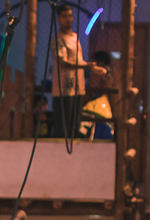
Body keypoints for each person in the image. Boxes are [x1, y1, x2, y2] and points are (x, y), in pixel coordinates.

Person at [51, 3, 106, 140]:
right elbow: (62, 62)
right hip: (63, 89)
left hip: (78, 87)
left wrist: (91, 67)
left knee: (75, 126)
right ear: (58, 18)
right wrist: (88, 66)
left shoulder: (75, 37)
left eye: (70, 16)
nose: (68, 19)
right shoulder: (58, 39)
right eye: (64, 16)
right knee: (63, 127)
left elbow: (78, 61)